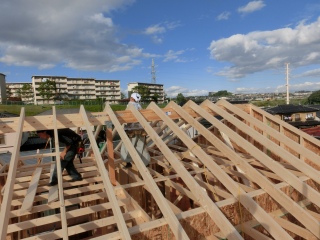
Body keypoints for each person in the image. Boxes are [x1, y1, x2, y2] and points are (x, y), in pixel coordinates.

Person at [120, 93, 150, 168]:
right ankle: (145, 162)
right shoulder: (139, 106)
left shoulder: (130, 105)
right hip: (141, 130)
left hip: (131, 130)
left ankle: (128, 161)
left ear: (131, 98)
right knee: (141, 146)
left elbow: (126, 117)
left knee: (128, 146)